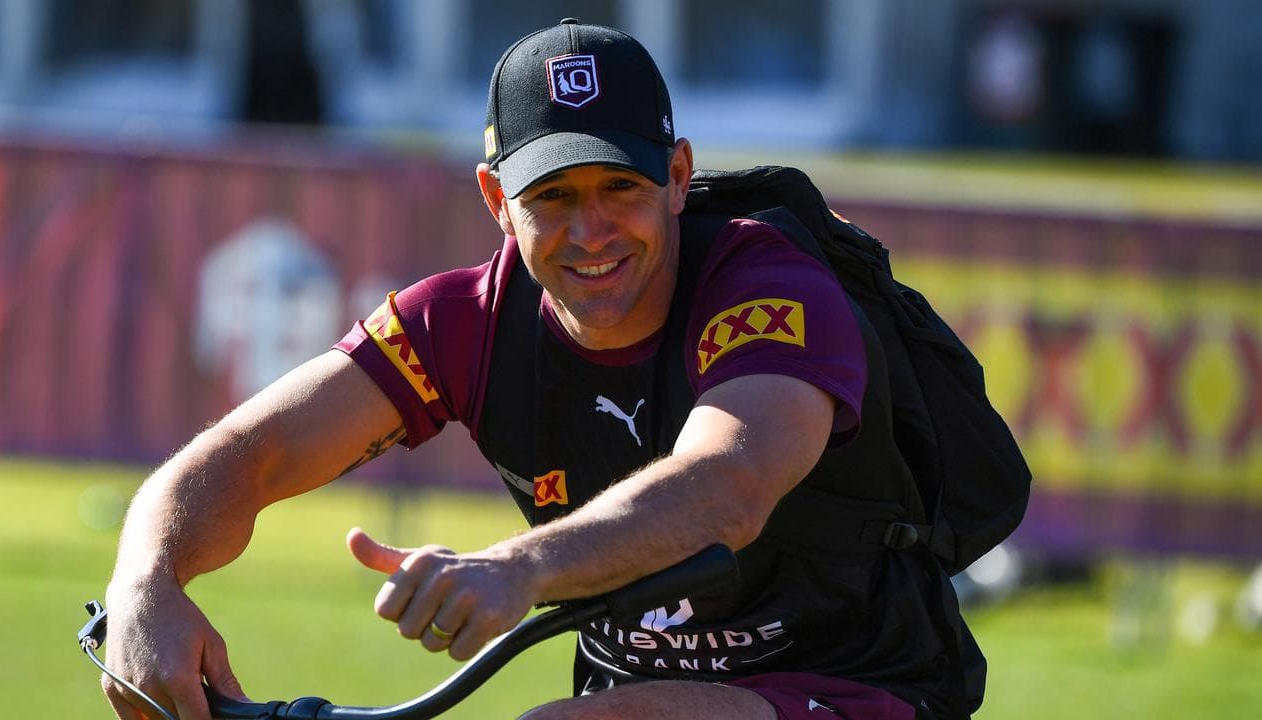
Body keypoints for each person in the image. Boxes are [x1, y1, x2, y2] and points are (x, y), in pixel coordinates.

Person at [102, 19, 973, 720]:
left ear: (678, 177)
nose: (590, 232)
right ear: (496, 200)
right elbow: (247, 455)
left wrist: (515, 566)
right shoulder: (460, 321)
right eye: (552, 196)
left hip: (860, 685)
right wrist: (144, 584)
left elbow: (727, 488)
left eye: (620, 187)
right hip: (632, 691)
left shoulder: (768, 286)